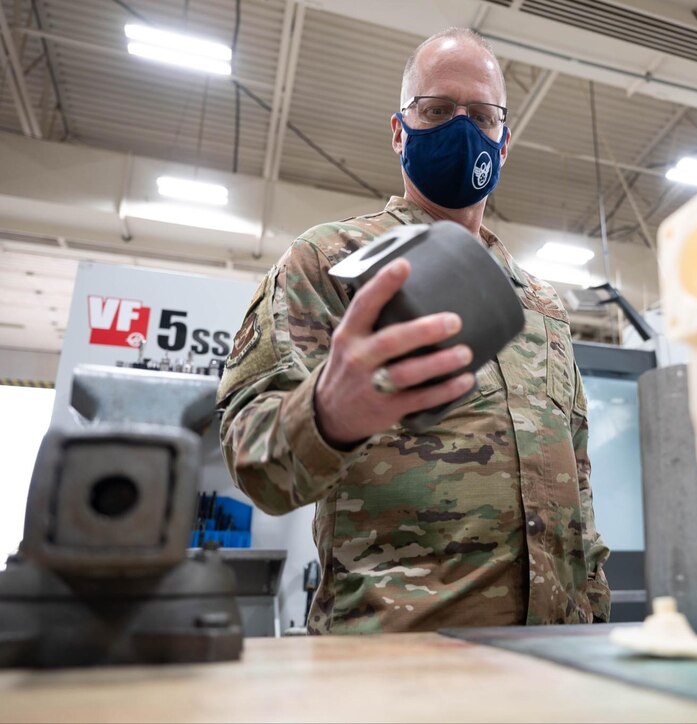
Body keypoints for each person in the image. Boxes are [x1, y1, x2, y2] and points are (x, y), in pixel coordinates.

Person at [217, 27, 611, 633]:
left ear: (502, 145)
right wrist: (326, 413)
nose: (461, 128)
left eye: (481, 116)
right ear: (400, 131)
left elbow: (579, 489)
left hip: (557, 662)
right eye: (436, 110)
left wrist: (598, 625)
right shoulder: (328, 265)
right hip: (394, 664)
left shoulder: (542, 305)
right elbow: (252, 463)